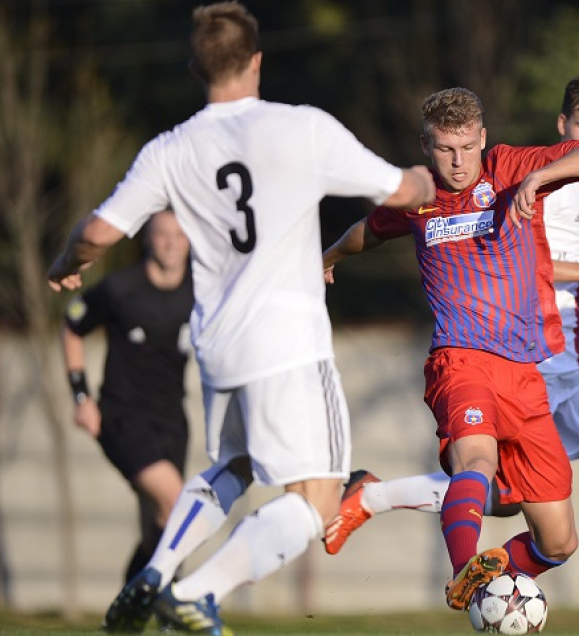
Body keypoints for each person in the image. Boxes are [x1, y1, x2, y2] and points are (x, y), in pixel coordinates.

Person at [46, 2, 435, 634]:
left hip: (219, 346)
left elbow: (97, 230)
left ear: (195, 66)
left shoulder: (171, 148)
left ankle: (158, 568)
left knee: (232, 466)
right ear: (257, 60)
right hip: (288, 342)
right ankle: (197, 592)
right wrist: (421, 179)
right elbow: (398, 192)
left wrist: (67, 261)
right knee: (317, 501)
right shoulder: (300, 127)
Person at [322, 75, 579, 633]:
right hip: (460, 360)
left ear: (482, 138)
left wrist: (541, 176)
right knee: (477, 462)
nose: (457, 162)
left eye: (465, 147)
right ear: (426, 146)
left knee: (559, 540)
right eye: (444, 148)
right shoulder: (419, 194)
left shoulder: (510, 168)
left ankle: (480, 561)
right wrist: (328, 256)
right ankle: (468, 574)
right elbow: (371, 229)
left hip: (529, 372)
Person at [61, 210, 193, 591]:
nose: (170, 243)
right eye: (162, 234)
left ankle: (130, 601)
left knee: (158, 523)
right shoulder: (121, 289)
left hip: (172, 419)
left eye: (179, 236)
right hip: (121, 418)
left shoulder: (201, 290)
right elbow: (72, 326)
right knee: (178, 503)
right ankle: (176, 602)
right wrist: (81, 397)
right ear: (148, 239)